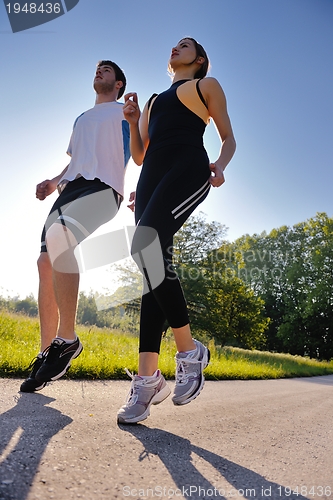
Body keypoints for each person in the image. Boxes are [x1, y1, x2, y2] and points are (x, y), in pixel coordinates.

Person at [117, 37, 236, 424]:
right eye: (174, 44)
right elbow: (140, 155)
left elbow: (228, 136)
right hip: (152, 178)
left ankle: (189, 351)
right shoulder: (153, 99)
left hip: (188, 168)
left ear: (199, 59)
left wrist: (220, 164)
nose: (175, 47)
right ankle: (148, 379)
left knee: (143, 246)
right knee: (152, 269)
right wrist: (133, 122)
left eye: (185, 46)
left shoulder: (206, 86)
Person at [20, 60, 130, 392]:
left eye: (108, 70)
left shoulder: (125, 111)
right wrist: (54, 182)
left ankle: (67, 339)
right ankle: (47, 354)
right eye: (98, 68)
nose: (100, 72)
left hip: (103, 187)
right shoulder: (82, 119)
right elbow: (76, 159)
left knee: (60, 236)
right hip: (71, 189)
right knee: (45, 261)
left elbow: (141, 148)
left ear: (119, 84)